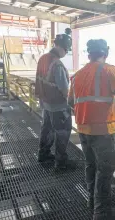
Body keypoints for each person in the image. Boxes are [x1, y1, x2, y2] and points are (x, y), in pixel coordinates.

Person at [68, 39, 115, 220]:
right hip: (103, 132)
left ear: (89, 54)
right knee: (104, 172)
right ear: (106, 52)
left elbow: (70, 103)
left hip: (83, 130)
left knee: (91, 167)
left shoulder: (78, 75)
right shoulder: (109, 70)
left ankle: (93, 204)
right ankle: (101, 214)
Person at [35, 34, 72, 170]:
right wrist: (71, 104)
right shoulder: (57, 64)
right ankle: (61, 163)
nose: (66, 52)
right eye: (66, 49)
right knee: (63, 132)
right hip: (58, 105)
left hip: (46, 102)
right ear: (59, 47)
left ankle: (43, 154)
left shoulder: (43, 58)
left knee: (47, 129)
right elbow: (63, 89)